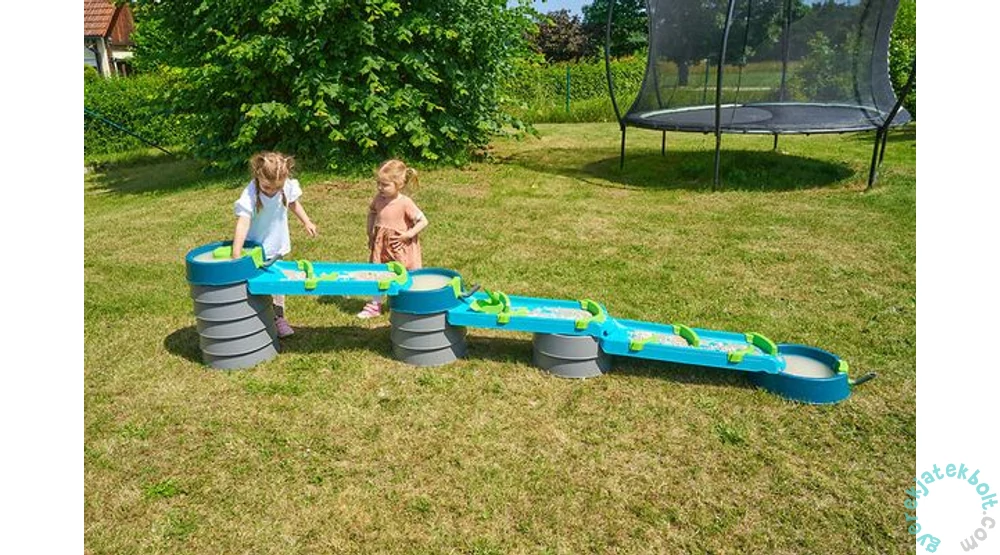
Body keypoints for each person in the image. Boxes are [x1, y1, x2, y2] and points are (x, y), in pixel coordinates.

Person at [231, 151, 318, 337]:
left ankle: (279, 319)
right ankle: (256, 317)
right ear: (258, 176)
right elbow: (243, 222)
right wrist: (236, 252)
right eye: (267, 187)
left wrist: (307, 222)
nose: (271, 191)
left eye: (276, 188)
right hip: (256, 247)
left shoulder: (286, 186)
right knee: (256, 283)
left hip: (276, 244)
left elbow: (294, 203)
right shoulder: (251, 193)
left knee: (278, 284)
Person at [358, 159, 429, 318]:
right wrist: (370, 232)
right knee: (378, 272)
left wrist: (408, 234)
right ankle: (375, 304)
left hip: (399, 246)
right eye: (378, 183)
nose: (380, 188)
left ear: (399, 185)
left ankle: (409, 301)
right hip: (381, 245)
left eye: (385, 185)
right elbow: (372, 212)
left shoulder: (405, 203)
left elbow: (423, 221)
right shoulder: (378, 199)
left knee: (403, 273)